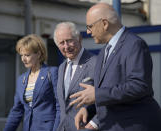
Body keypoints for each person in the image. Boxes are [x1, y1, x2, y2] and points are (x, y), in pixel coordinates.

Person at [69, 3, 161, 131]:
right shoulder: (103, 52)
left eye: (90, 26)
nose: (88, 32)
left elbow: (139, 86)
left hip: (134, 125)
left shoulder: (134, 44)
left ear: (105, 24)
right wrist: (88, 110)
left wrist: (97, 94)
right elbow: (107, 92)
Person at [4, 34, 60, 131]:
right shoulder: (22, 79)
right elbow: (17, 110)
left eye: (27, 55)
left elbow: (60, 105)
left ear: (38, 54)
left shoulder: (52, 73)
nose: (23, 59)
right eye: (21, 55)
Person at [53, 22, 97, 131]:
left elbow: (108, 99)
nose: (66, 46)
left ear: (79, 38)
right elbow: (61, 107)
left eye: (69, 40)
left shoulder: (96, 63)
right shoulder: (61, 67)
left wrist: (94, 124)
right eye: (61, 43)